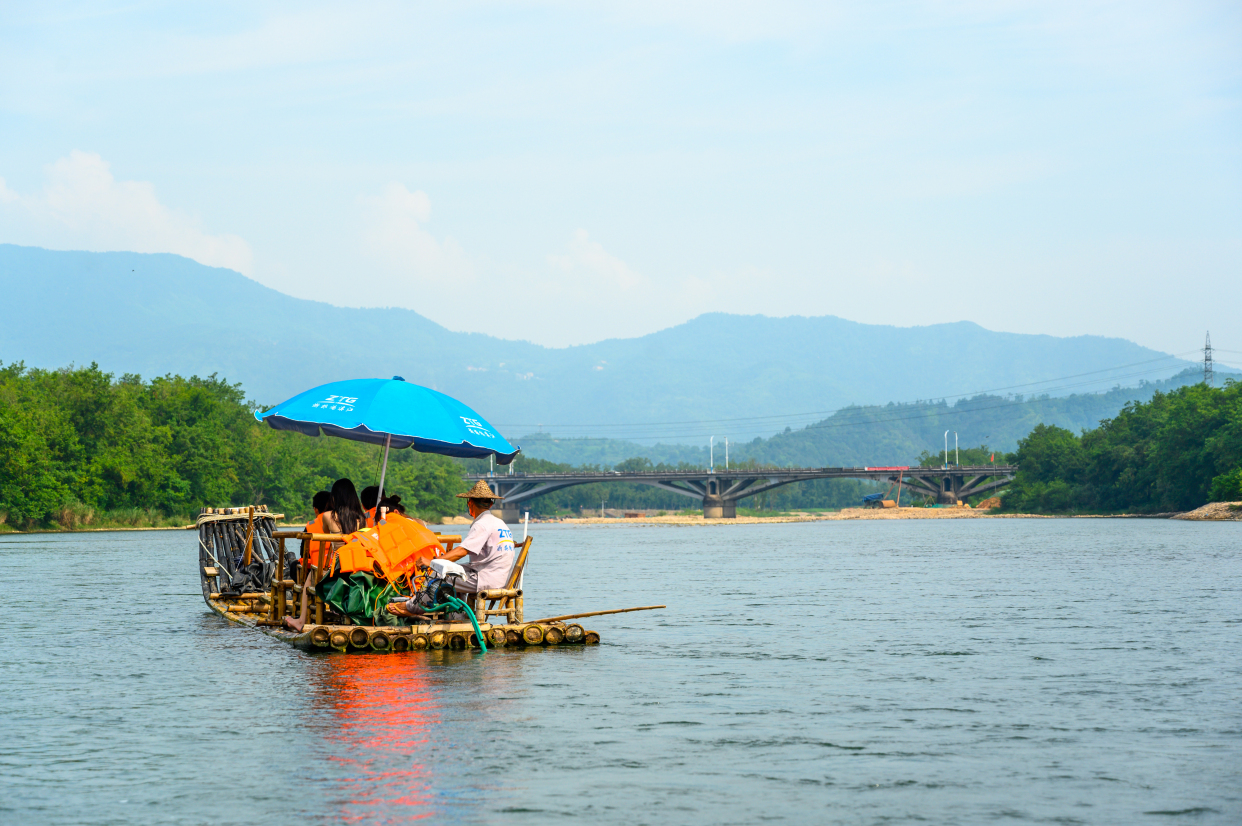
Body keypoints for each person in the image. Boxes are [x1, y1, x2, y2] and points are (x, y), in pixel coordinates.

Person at [439, 480, 515, 594]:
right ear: (490, 504)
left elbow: (462, 551)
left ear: (470, 503)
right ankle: (459, 612)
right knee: (454, 571)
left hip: (486, 580)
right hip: (501, 578)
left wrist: (433, 562)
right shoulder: (500, 523)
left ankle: (412, 606)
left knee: (437, 575)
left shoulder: (482, 524)